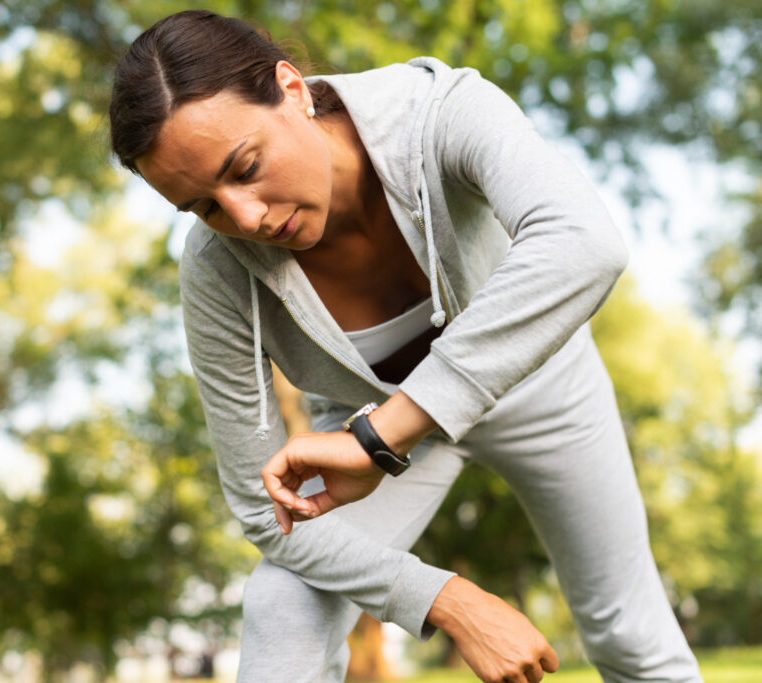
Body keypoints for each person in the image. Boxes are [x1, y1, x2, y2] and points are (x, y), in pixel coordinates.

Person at [109, 10, 702, 683]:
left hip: (536, 388)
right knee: (282, 604)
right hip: (369, 431)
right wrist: (443, 598)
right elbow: (260, 508)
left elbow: (584, 242)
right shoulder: (216, 269)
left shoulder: (438, 111)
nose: (244, 218)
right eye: (204, 207)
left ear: (293, 89)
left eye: (245, 167)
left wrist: (382, 435)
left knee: (627, 629)